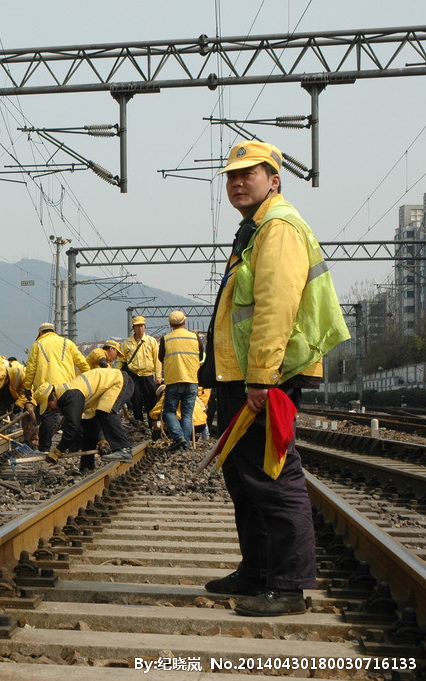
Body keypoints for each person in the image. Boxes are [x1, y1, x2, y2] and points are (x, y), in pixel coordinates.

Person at [201, 140, 349, 617]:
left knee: (272, 476)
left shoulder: (278, 228)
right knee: (244, 478)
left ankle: (287, 586)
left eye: (249, 173)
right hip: (245, 376)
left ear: (274, 180)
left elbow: (276, 306)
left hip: (267, 377)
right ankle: (258, 571)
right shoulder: (256, 229)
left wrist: (262, 377)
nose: (237, 181)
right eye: (231, 175)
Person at [34, 369, 135, 472]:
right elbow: (90, 419)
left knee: (106, 411)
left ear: (54, 395)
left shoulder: (70, 396)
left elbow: (72, 426)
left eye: (48, 405)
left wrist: (59, 450)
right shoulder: (69, 395)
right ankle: (86, 468)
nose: (50, 409)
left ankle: (124, 448)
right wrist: (101, 439)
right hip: (110, 386)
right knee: (87, 424)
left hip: (118, 381)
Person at [23, 322, 88, 453]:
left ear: (40, 333)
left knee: (46, 417)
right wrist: (86, 379)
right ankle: (74, 447)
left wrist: (27, 386)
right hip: (67, 387)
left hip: (46, 388)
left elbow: (30, 368)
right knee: (72, 416)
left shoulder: (37, 345)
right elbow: (82, 362)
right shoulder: (67, 343)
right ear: (53, 330)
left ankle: (44, 448)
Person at [159, 311, 203, 451]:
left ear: (170, 324)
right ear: (184, 322)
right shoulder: (194, 337)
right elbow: (201, 355)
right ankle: (185, 444)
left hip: (173, 380)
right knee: (187, 414)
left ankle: (179, 438)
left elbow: (161, 357)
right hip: (191, 380)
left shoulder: (166, 339)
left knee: (169, 412)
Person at [122, 316, 161, 423]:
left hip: (148, 375)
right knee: (136, 401)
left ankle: (152, 424)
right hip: (133, 375)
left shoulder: (151, 341)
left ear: (145, 327)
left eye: (142, 326)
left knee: (151, 401)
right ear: (133, 328)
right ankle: (139, 423)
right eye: (137, 326)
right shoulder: (127, 343)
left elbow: (157, 359)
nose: (140, 328)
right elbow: (121, 360)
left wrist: (158, 376)